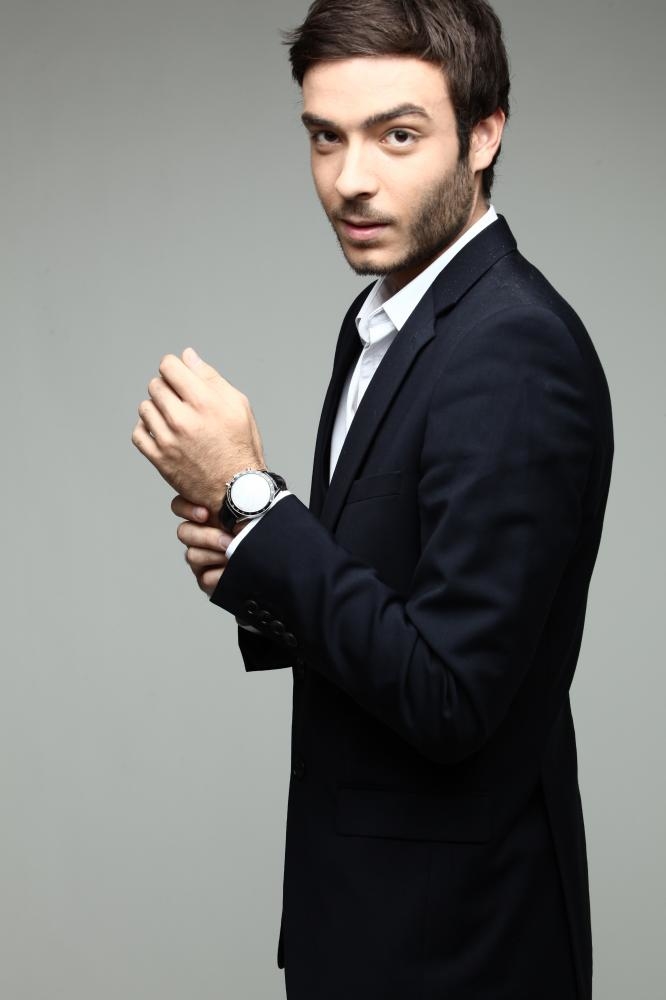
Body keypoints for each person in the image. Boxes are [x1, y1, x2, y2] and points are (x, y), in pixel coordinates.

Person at [132, 1, 613, 997]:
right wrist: (252, 557)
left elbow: (451, 694)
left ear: (484, 134)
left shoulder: (512, 348)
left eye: (397, 136)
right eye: (326, 137)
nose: (351, 178)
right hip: (368, 927)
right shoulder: (383, 319)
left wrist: (253, 499)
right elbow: (393, 598)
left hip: (460, 952)